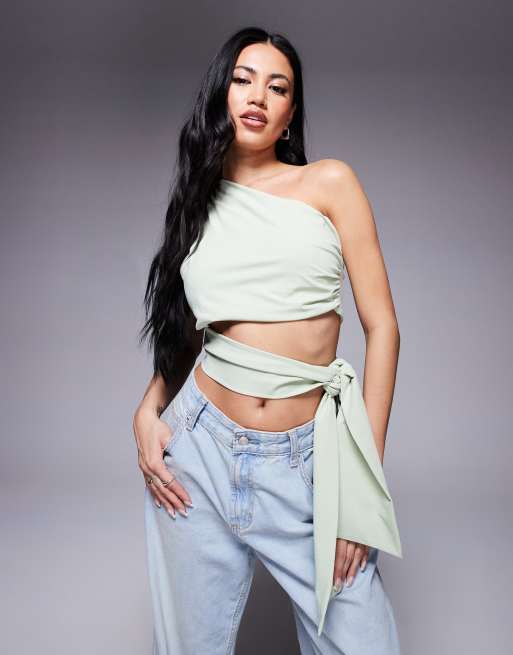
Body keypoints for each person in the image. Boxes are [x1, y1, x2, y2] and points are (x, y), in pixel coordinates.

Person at [134, 26, 403, 655]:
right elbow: (193, 330)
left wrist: (362, 488)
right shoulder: (198, 202)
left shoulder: (330, 183)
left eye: (277, 87)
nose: (257, 96)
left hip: (308, 461)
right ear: (222, 95)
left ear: (289, 114)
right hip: (199, 454)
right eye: (243, 79)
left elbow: (383, 328)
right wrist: (147, 410)